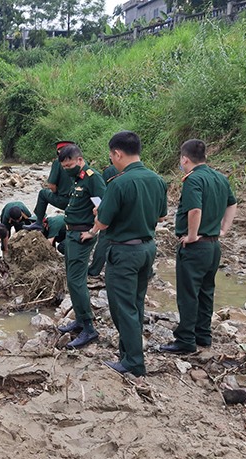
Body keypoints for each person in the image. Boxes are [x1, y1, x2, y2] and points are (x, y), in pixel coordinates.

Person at [86, 131, 167, 376]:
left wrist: (99, 215)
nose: (112, 161)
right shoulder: (157, 179)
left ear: (117, 153)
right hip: (147, 248)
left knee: (122, 307)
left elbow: (103, 224)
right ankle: (127, 353)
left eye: (112, 157)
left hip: (124, 251)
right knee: (136, 302)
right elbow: (162, 216)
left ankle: (133, 362)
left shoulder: (119, 183)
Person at [159, 139, 238, 354]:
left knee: (188, 294)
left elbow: (194, 210)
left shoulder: (193, 180)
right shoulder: (220, 178)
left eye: (181, 160)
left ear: (185, 158)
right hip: (213, 246)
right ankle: (203, 335)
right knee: (206, 291)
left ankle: (185, 339)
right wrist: (223, 230)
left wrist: (192, 236)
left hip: (196, 247)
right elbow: (232, 203)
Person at [56, 144, 106, 349]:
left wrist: (93, 231)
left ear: (79, 160)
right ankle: (79, 320)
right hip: (72, 234)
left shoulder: (93, 178)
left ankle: (89, 328)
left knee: (76, 282)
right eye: (64, 167)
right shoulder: (78, 179)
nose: (67, 169)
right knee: (71, 279)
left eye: (69, 165)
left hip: (82, 235)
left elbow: (103, 207)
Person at [87, 164, 120, 278]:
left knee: (103, 241)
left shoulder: (110, 173)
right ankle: (148, 271)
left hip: (112, 216)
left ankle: (94, 270)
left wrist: (92, 232)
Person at [33, 141, 76, 225]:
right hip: (79, 202)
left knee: (43, 193)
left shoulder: (58, 162)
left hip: (65, 200)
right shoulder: (81, 162)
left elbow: (51, 185)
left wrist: (56, 193)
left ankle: (38, 222)